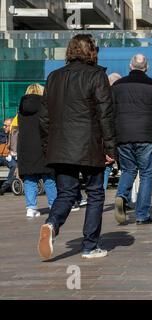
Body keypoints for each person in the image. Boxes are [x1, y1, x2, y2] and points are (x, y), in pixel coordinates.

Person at [37, 34, 115, 260]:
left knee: (67, 193)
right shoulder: (97, 75)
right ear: (92, 51)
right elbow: (105, 115)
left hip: (60, 146)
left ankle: (51, 224)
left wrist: (47, 146)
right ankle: (90, 246)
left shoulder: (53, 77)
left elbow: (44, 118)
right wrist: (111, 149)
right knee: (95, 193)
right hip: (90, 146)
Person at [112, 54, 152, 225]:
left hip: (123, 135)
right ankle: (142, 214)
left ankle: (121, 196)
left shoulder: (117, 86)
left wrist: (114, 133)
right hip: (145, 135)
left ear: (130, 66)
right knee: (147, 173)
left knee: (128, 170)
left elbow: (109, 112)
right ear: (146, 67)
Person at [17, 84, 57, 218]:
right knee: (49, 178)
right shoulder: (46, 106)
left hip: (26, 148)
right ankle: (53, 205)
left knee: (30, 178)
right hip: (44, 146)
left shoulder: (21, 110)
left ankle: (31, 208)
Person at [103, 72, 122, 191]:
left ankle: (100, 195)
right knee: (127, 169)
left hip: (107, 137)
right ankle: (125, 197)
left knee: (106, 167)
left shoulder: (103, 96)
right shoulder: (123, 95)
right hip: (122, 136)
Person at [0, 118, 17, 195]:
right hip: (1, 155)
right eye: (4, 125)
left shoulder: (14, 134)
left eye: (6, 126)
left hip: (7, 157)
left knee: (14, 165)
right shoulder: (1, 134)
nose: (4, 127)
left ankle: (4, 187)